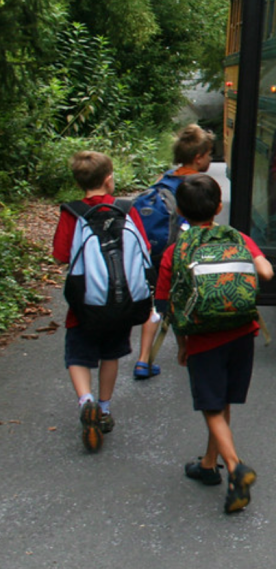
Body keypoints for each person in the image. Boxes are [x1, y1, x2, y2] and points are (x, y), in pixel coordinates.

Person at [154, 174, 273, 514]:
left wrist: (181, 344)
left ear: (180, 211)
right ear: (219, 207)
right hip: (241, 330)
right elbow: (266, 273)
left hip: (203, 338)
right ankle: (209, 464)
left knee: (210, 406)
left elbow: (166, 306)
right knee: (221, 403)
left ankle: (235, 468)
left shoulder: (176, 252)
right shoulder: (238, 238)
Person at [52, 150, 151, 452]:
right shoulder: (124, 209)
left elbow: (59, 254)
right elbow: (144, 247)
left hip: (86, 303)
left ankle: (86, 401)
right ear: (109, 179)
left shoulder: (73, 212)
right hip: (121, 302)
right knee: (111, 354)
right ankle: (105, 409)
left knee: (78, 355)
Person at [134, 124, 215, 379]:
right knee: (185, 301)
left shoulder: (165, 177)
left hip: (157, 252)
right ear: (198, 157)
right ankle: (190, 352)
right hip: (184, 252)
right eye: (210, 154)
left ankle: (143, 360)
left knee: (157, 305)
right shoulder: (200, 184)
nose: (211, 159)